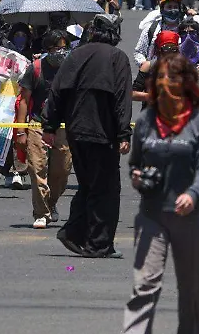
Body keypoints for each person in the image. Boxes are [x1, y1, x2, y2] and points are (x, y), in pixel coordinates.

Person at [117, 54, 199, 334]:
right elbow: (136, 162)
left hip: (188, 216)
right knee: (144, 285)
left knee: (193, 291)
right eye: (160, 77)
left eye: (172, 77)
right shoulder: (147, 119)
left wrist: (195, 193)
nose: (165, 83)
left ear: (185, 82)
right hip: (152, 216)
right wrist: (136, 177)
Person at [44, 14, 133, 258]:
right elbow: (121, 100)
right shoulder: (117, 58)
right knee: (105, 189)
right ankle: (97, 244)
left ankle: (73, 232)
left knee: (89, 185)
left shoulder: (76, 55)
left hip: (76, 132)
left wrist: (49, 126)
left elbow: (57, 93)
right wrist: (124, 132)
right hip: (102, 134)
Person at [15, 30, 73, 229]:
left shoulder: (71, 68)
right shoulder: (36, 68)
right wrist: (21, 130)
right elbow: (24, 100)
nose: (61, 52)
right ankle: (41, 213)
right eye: (57, 48)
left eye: (64, 47)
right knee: (37, 168)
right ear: (48, 49)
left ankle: (51, 202)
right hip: (37, 124)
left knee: (63, 171)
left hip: (63, 127)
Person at [133, 0, 199, 66]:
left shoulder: (188, 28)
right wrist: (147, 65)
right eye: (169, 7)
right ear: (162, 9)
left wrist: (196, 16)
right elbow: (139, 52)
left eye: (175, 7)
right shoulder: (152, 29)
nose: (173, 10)